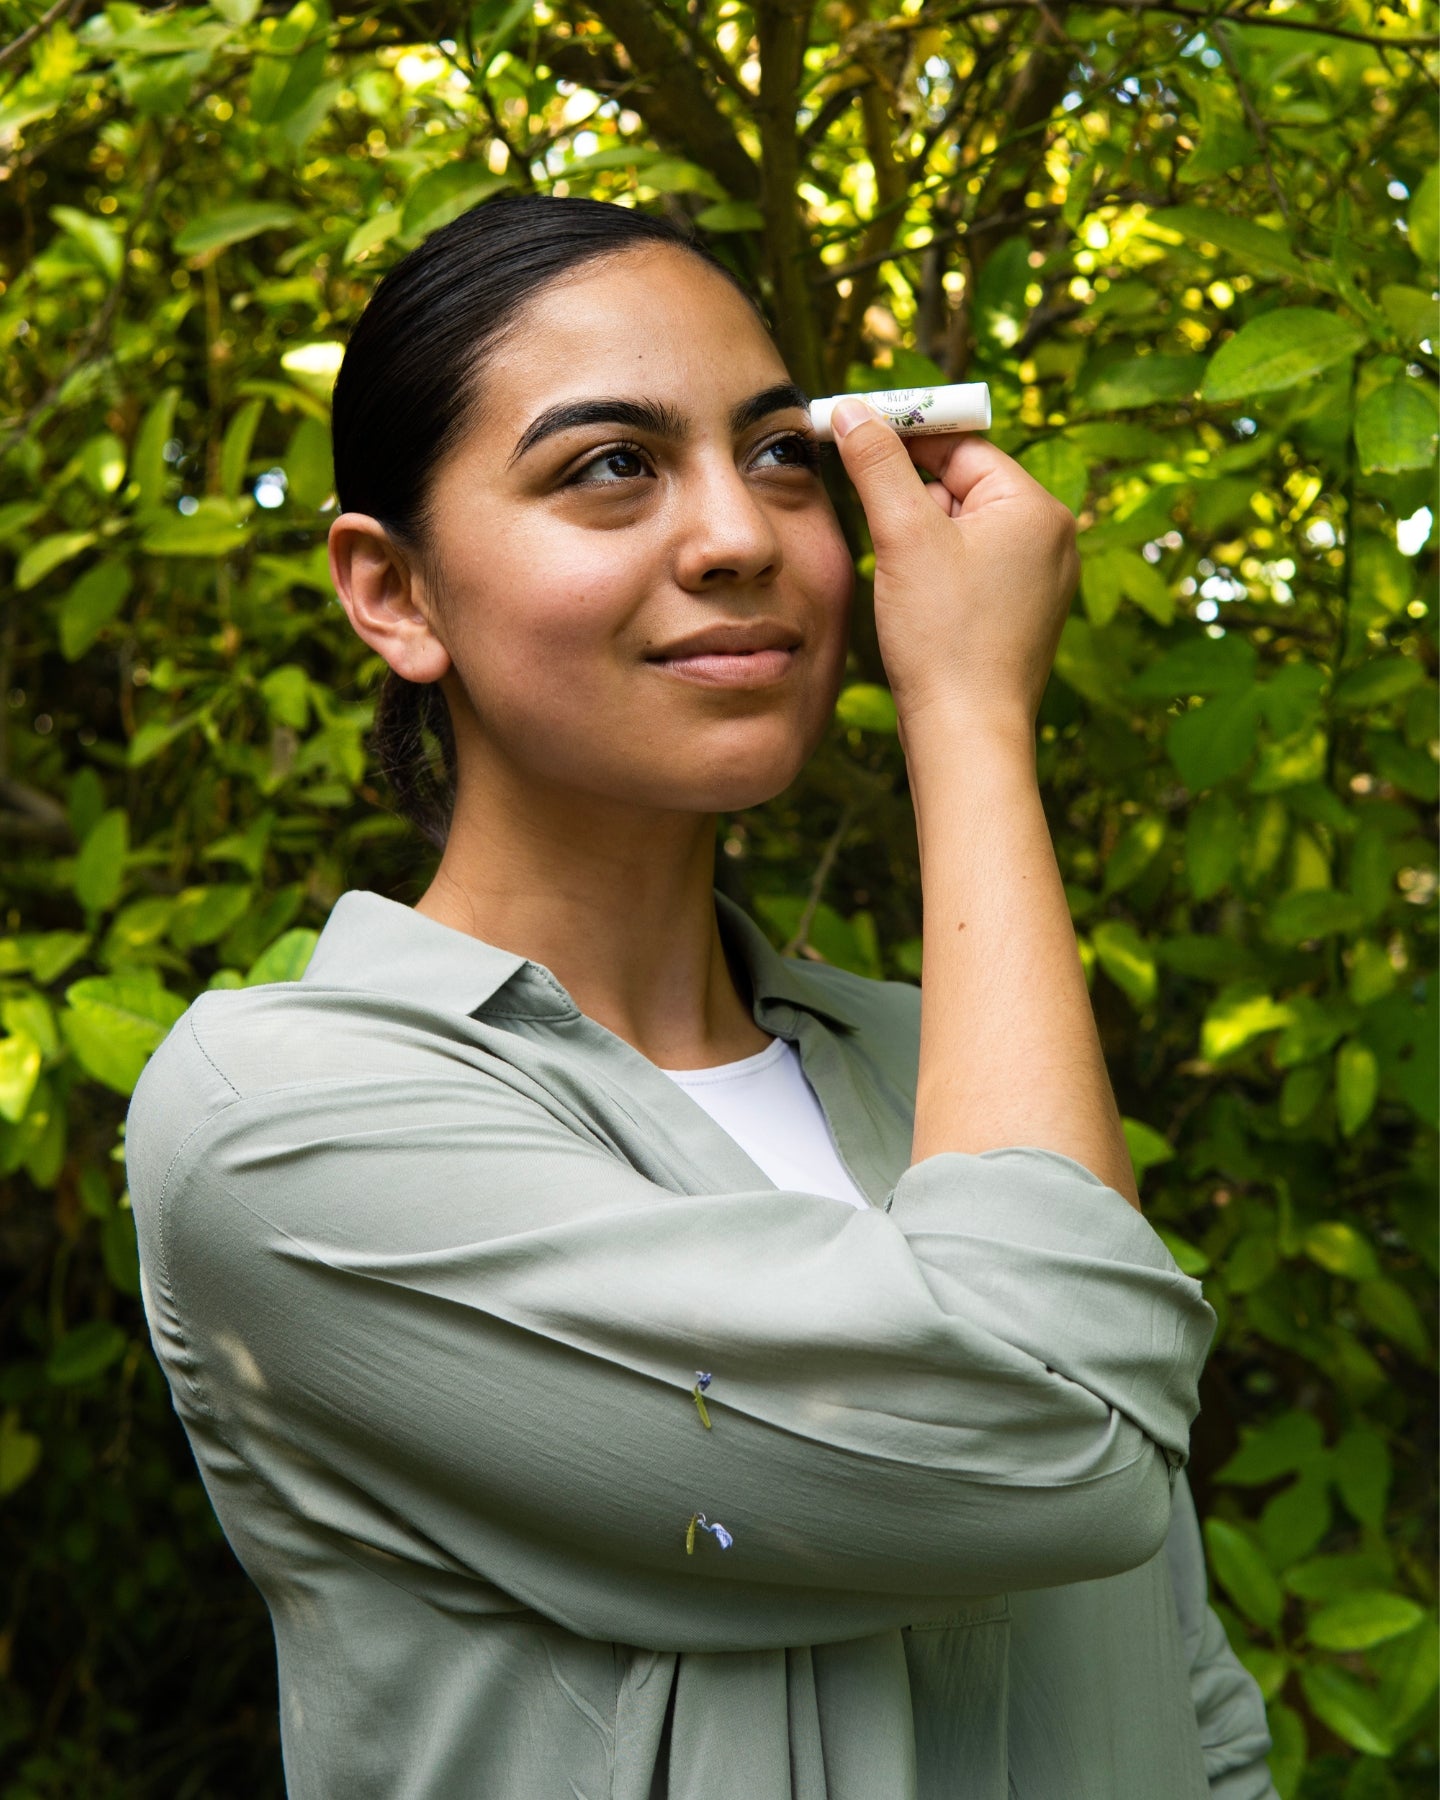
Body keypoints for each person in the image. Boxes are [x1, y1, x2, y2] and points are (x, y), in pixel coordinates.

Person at [127, 195, 1275, 1799]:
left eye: (781, 455)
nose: (738, 535)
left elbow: (1182, 1700)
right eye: (610, 465)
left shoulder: (945, 1064)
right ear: (394, 593)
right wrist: (964, 715)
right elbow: (1054, 1451)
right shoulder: (278, 1119)